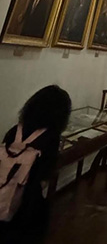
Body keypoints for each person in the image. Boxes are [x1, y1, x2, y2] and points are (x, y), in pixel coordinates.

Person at [0, 85, 72, 244]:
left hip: (3, 190)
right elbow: (44, 177)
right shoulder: (51, 137)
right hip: (29, 202)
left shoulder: (15, 130)